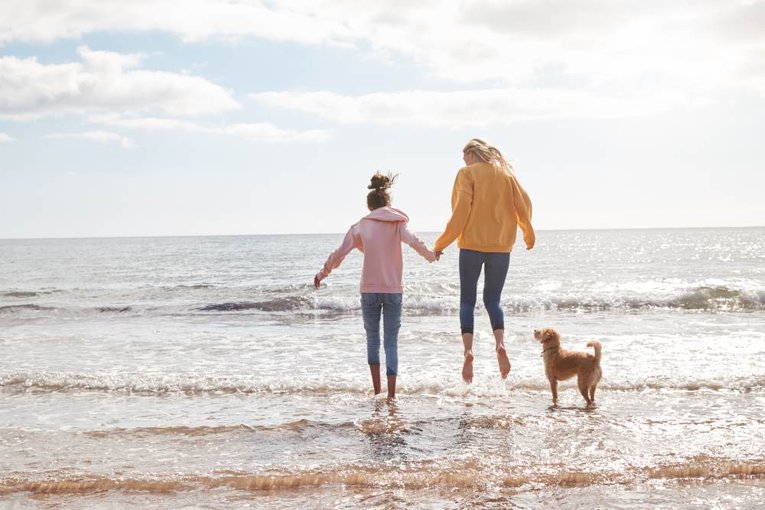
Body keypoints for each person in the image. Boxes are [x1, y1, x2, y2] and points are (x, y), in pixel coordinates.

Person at [314, 172, 436, 401]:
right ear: (387, 203)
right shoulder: (398, 223)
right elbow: (415, 241)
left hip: (368, 290)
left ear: (369, 206)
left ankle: (377, 392)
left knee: (372, 340)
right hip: (393, 291)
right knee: (391, 342)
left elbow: (338, 254)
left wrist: (323, 273)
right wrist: (431, 256)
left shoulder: (361, 226)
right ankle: (391, 396)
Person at [433, 138, 535, 384]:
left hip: (471, 246)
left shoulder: (466, 174)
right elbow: (524, 204)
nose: (463, 160)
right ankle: (500, 345)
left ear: (471, 153)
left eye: (464, 155)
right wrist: (527, 233)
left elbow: (460, 212)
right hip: (501, 247)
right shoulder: (506, 175)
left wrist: (441, 244)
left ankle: (468, 353)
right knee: (493, 300)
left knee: (467, 301)